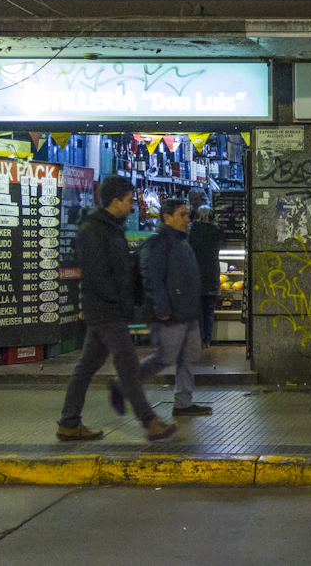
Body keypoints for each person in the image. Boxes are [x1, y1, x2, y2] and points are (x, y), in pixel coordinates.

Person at [57, 175, 177, 442]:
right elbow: (97, 274)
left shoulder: (111, 227)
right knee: (128, 365)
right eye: (129, 200)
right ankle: (148, 421)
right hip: (106, 310)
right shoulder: (93, 230)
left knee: (86, 367)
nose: (132, 205)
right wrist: (118, 301)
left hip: (107, 309)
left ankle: (68, 422)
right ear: (115, 201)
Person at [136, 198, 213, 417]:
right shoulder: (158, 243)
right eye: (182, 214)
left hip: (188, 312)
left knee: (189, 357)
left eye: (188, 214)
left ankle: (183, 403)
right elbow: (152, 278)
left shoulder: (182, 242)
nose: (188, 219)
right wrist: (162, 308)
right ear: (167, 217)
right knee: (164, 358)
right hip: (169, 314)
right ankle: (126, 382)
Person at [188, 205, 224, 349]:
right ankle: (207, 340)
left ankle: (199, 338)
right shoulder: (217, 232)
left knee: (198, 311)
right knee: (209, 310)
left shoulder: (192, 231)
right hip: (212, 274)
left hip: (196, 275)